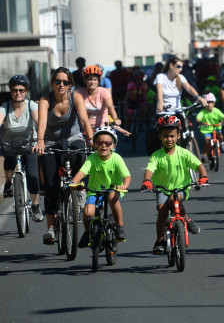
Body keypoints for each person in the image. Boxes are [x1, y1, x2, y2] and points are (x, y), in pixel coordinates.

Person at [33, 67, 94, 245]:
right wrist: (41, 141)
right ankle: (51, 228)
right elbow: (42, 121)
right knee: (52, 185)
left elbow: (83, 120)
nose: (61, 85)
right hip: (51, 141)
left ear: (70, 85)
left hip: (73, 138)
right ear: (53, 83)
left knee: (78, 156)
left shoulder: (75, 97)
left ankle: (80, 188)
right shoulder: (45, 100)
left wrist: (90, 138)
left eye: (65, 82)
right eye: (57, 81)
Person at [141, 115, 209, 254]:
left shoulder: (184, 153)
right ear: (160, 137)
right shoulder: (156, 155)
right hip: (162, 189)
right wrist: (147, 181)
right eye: (165, 136)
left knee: (175, 198)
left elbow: (198, 165)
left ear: (178, 136)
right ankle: (160, 240)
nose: (169, 139)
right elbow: (149, 170)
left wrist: (204, 176)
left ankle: (185, 218)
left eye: (172, 136)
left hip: (180, 188)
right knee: (162, 211)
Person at [69, 127, 131, 248]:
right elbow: (82, 172)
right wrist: (73, 182)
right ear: (95, 145)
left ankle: (119, 227)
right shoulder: (92, 158)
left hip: (113, 189)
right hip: (94, 191)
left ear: (113, 146)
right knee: (88, 213)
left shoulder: (116, 158)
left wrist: (124, 185)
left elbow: (127, 176)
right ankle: (87, 233)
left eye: (107, 143)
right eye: (100, 143)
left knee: (112, 197)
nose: (103, 146)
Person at [0, 75, 43, 221]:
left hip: (30, 143)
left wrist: (41, 140)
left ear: (26, 91)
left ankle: (35, 206)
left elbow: (38, 121)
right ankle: (8, 182)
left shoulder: (32, 105)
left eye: (21, 90)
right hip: (10, 143)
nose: (18, 93)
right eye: (14, 90)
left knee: (32, 174)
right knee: (9, 160)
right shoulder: (5, 107)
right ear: (11, 91)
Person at [76, 65, 128, 136]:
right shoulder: (79, 93)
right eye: (90, 79)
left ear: (98, 81)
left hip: (103, 127)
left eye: (95, 79)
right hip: (85, 130)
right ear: (85, 81)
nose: (92, 82)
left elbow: (111, 108)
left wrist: (116, 118)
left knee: (106, 144)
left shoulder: (104, 92)